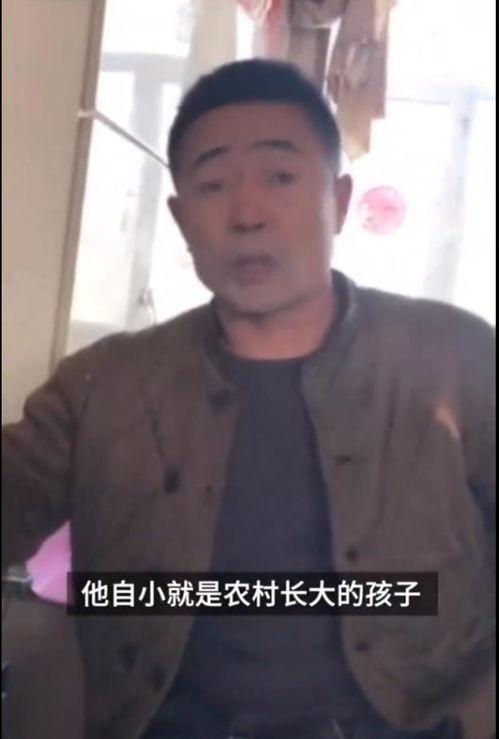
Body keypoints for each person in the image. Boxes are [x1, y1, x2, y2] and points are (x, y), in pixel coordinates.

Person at [2, 59, 495, 739]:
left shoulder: (455, 358)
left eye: (280, 177)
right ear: (181, 218)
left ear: (340, 200)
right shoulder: (103, 384)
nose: (247, 214)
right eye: (212, 186)